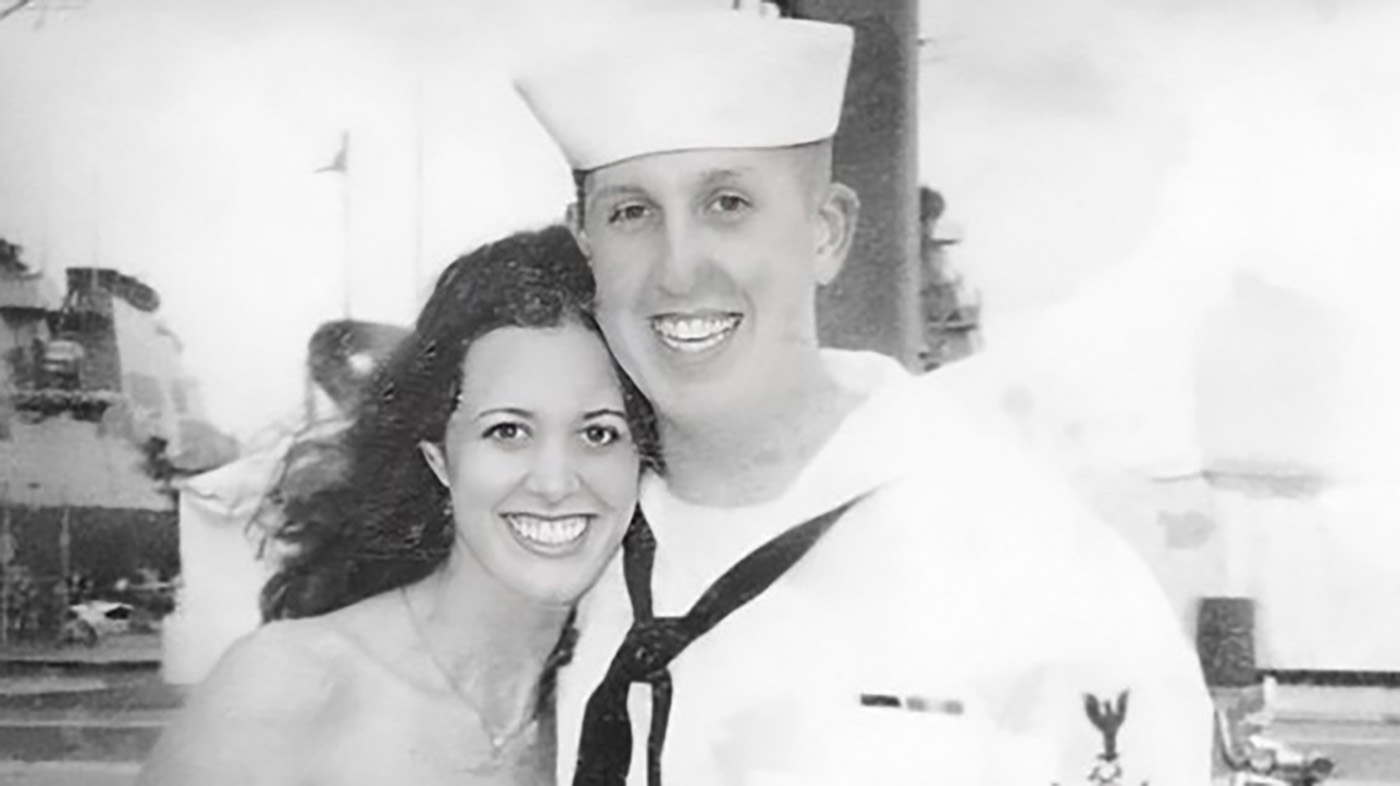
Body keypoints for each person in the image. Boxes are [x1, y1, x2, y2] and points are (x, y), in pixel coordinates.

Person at [514, 7, 1215, 785]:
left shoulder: (1020, 552)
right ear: (586, 243)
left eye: (728, 205)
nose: (679, 268)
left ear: (828, 233)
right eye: (632, 213)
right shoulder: (563, 551)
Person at [138, 226, 657, 786]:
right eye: (508, 431)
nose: (555, 482)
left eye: (600, 434)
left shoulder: (646, 705)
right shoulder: (288, 689)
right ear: (438, 457)